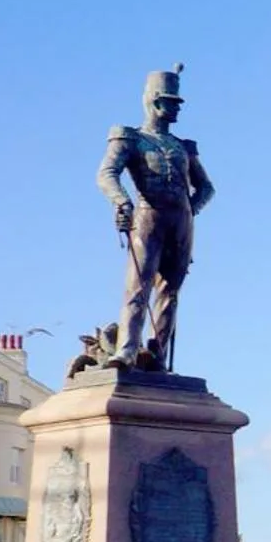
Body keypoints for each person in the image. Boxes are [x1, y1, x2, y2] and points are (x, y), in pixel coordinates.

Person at [95, 64, 215, 372]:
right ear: (152, 101)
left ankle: (157, 354)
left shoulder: (183, 147)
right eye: (169, 101)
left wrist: (189, 209)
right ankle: (126, 351)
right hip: (148, 215)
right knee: (138, 287)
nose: (175, 108)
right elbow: (107, 173)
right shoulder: (131, 138)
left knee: (169, 292)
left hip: (181, 221)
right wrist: (121, 201)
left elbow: (206, 187)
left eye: (177, 103)